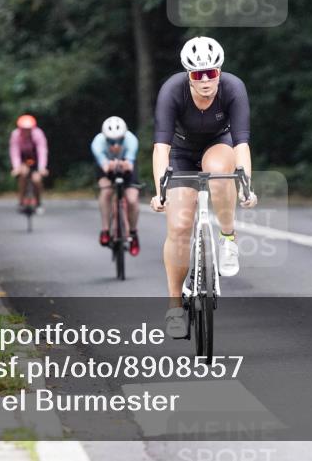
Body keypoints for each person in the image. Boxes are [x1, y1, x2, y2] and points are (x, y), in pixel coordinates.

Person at [150, 36, 258, 338]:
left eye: (212, 72)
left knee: (219, 171)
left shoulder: (234, 88)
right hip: (181, 152)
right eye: (198, 74)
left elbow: (241, 144)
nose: (206, 79)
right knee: (180, 226)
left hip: (218, 146)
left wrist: (246, 184)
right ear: (189, 75)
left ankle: (227, 238)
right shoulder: (172, 90)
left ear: (220, 72)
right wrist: (160, 189)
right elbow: (161, 147)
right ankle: (174, 304)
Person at [92, 116, 141, 255]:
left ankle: (133, 233)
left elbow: (130, 165)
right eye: (111, 141)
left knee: (132, 199)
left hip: (126, 167)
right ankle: (105, 230)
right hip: (106, 167)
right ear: (105, 137)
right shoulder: (98, 142)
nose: (115, 145)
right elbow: (104, 166)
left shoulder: (131, 140)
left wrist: (124, 164)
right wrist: (110, 165)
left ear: (124, 136)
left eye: (119, 141)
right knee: (106, 192)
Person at [9, 114, 49, 212]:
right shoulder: (15, 135)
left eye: (29, 129)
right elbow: (14, 152)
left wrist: (41, 168)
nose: (26, 131)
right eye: (23, 129)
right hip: (23, 160)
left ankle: (38, 203)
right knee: (23, 174)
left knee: (37, 180)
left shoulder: (38, 134)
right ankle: (21, 201)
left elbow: (42, 151)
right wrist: (16, 167)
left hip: (36, 160)